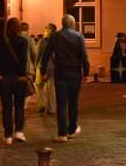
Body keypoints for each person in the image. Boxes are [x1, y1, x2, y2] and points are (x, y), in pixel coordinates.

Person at [40, 14, 90, 143]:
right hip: (75, 73)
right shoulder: (78, 36)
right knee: (73, 102)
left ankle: (62, 134)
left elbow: (46, 55)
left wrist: (43, 71)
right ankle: (72, 129)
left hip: (60, 73)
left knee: (61, 104)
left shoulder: (55, 36)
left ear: (63, 23)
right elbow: (84, 56)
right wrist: (86, 73)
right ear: (72, 23)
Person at [0, 17, 28, 145]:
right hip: (18, 78)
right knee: (19, 106)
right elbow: (23, 60)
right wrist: (22, 74)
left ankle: (8, 135)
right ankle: (19, 131)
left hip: (4, 78)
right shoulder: (23, 41)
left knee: (6, 107)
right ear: (18, 28)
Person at [36, 23, 57, 115]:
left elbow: (38, 55)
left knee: (38, 85)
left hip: (42, 67)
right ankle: (52, 108)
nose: (44, 31)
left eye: (46, 29)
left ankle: (41, 104)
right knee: (51, 88)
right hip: (53, 68)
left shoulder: (42, 41)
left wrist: (36, 65)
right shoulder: (58, 40)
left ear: (49, 30)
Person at [20, 22, 37, 106]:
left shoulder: (15, 38)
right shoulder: (30, 39)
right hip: (28, 67)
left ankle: (18, 104)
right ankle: (24, 105)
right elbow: (34, 53)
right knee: (28, 86)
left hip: (16, 68)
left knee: (19, 87)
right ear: (28, 29)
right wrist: (35, 65)